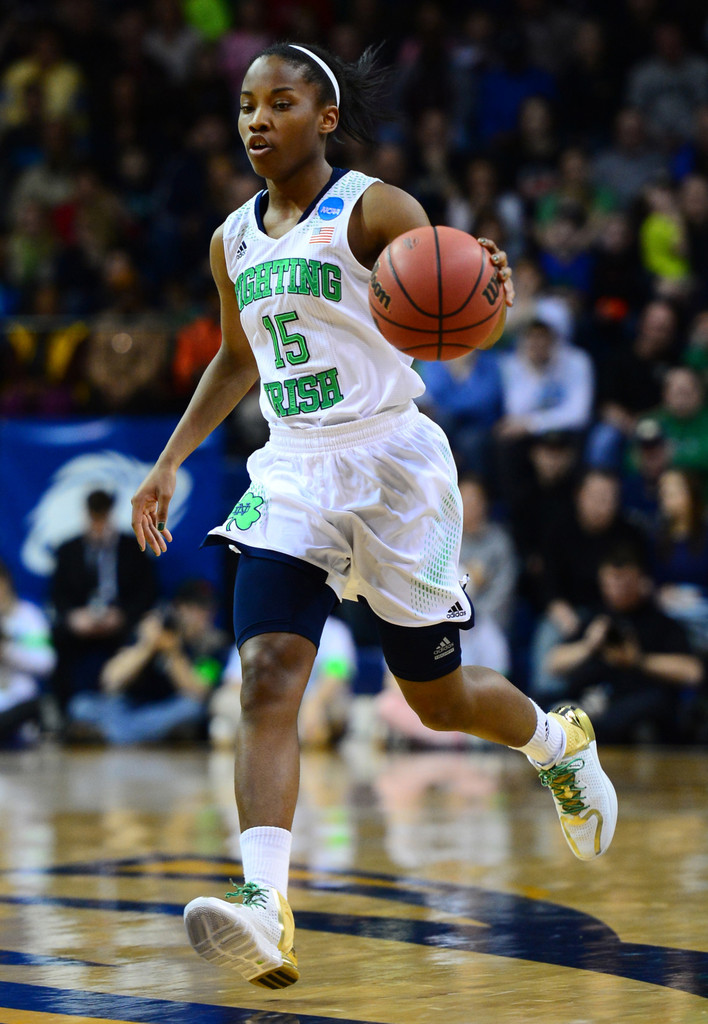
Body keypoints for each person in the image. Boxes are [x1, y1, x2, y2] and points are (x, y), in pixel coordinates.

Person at [130, 41, 617, 989]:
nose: (256, 119)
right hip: (295, 470)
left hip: (394, 462)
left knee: (436, 700)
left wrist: (490, 285)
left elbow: (447, 286)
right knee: (267, 675)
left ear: (325, 116)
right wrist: (168, 462)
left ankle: (558, 743)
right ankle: (265, 905)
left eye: (279, 102)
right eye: (244, 104)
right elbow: (238, 360)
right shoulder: (233, 239)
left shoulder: (374, 206)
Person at [545, 546, 703, 744]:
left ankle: (589, 728)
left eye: (624, 582)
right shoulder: (595, 620)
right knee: (541, 703)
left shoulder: (660, 623)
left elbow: (693, 672)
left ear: (640, 581)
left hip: (636, 702)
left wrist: (639, 660)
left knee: (650, 706)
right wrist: (588, 645)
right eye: (611, 582)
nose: (617, 589)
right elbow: (552, 663)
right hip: (590, 697)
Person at [66, 578, 229, 744]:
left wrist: (173, 652)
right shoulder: (148, 629)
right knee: (80, 705)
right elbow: (110, 680)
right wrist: (146, 646)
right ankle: (144, 734)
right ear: (179, 607)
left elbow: (198, 691)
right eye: (195, 608)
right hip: (129, 705)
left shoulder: (213, 644)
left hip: (167, 708)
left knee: (192, 709)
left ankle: (115, 735)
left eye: (208, 609)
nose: (203, 616)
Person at [49, 488, 157, 719]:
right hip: (81, 621)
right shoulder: (68, 550)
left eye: (103, 517)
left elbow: (146, 594)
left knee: (144, 638)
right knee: (58, 636)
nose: (98, 524)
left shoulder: (133, 548)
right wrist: (74, 617)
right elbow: (57, 595)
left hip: (121, 621)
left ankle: (132, 708)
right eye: (94, 517)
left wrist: (122, 616)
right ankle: (64, 714)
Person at [0, 560, 56, 746]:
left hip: (19, 701)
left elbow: (46, 662)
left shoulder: (28, 616)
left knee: (34, 708)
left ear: (6, 583)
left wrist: (7, 650)